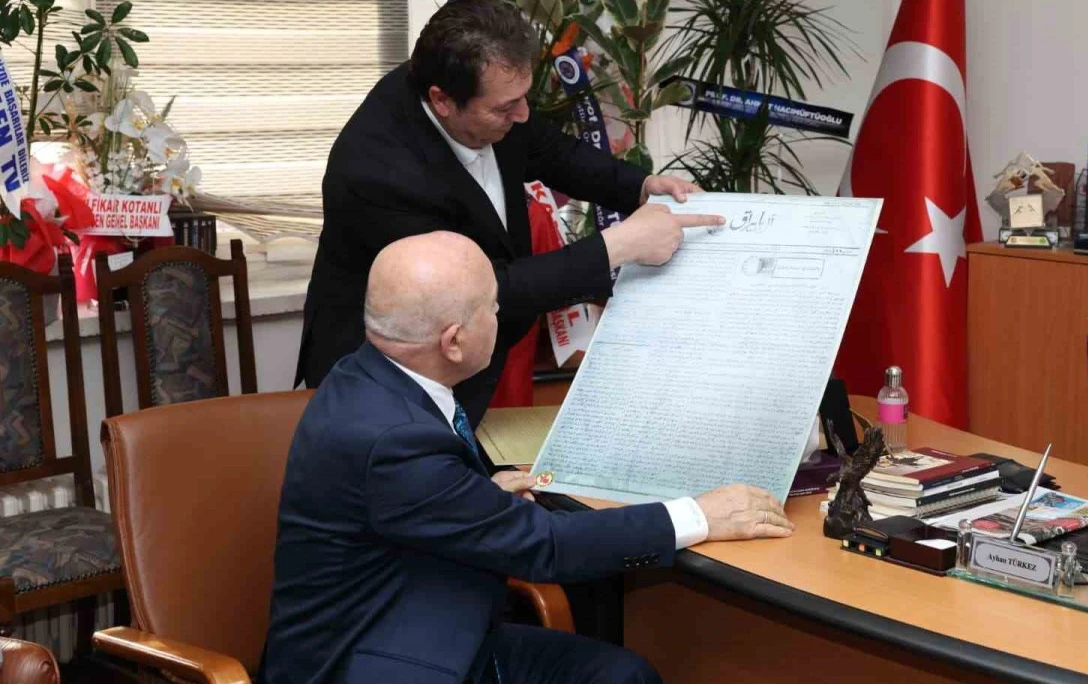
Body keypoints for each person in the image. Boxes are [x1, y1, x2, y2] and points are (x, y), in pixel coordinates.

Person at [261, 232, 793, 684]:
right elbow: (547, 547)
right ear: (453, 341)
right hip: (380, 662)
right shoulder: (395, 441)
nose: (501, 315)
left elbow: (405, 503)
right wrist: (700, 515)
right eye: (492, 307)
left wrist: (473, 497)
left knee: (621, 674)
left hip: (416, 621)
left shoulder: (364, 377)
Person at [296, 0, 722, 421]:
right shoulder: (378, 172)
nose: (522, 116)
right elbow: (479, 288)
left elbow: (550, 151)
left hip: (467, 362)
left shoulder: (488, 97)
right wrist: (619, 245)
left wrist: (641, 186)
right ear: (442, 101)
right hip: (391, 388)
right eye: (505, 107)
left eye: (523, 98)